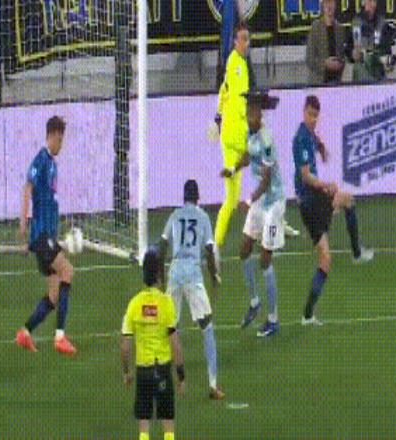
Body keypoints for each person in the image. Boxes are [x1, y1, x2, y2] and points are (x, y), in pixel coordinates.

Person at [292, 96, 374, 326]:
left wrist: (322, 148)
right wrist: (326, 185)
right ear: (304, 112)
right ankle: (356, 253)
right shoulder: (299, 139)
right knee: (345, 200)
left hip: (311, 201)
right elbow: (306, 177)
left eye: (315, 115)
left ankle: (307, 315)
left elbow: (315, 139)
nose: (313, 119)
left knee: (326, 259)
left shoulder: (308, 133)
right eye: (310, 114)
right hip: (310, 201)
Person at [221, 92, 284, 337]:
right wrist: (233, 168)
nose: (248, 116)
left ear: (259, 114)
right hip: (259, 201)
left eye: (252, 112)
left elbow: (267, 180)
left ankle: (273, 319)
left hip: (273, 203)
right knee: (244, 249)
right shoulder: (251, 132)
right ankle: (255, 302)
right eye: (247, 112)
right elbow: (248, 155)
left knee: (265, 259)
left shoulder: (266, 139)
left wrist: (249, 200)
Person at [15, 116, 77, 355]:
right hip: (40, 236)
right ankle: (60, 336)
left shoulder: (52, 163)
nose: (61, 144)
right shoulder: (41, 159)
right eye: (59, 140)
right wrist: (23, 225)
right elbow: (27, 188)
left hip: (47, 236)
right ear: (51, 136)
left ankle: (25, 332)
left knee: (53, 295)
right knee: (68, 271)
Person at [159, 180, 225, 400]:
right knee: (207, 327)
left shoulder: (175, 215)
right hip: (193, 275)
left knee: (169, 328)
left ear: (183, 197)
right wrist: (214, 276)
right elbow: (209, 250)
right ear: (198, 197)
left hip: (175, 273)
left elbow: (162, 247)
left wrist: (161, 279)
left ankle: (163, 378)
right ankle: (213, 385)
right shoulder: (203, 217)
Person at [121, 249, 185, 440]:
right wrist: (180, 375)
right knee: (167, 422)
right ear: (158, 273)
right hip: (162, 369)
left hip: (143, 371)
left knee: (144, 423)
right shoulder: (166, 303)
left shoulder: (134, 304)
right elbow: (175, 343)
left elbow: (125, 346)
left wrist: (126, 372)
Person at [214, 21, 250, 255]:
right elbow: (236, 99)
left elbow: (224, 90)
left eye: (248, 39)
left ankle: (216, 244)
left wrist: (217, 114)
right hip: (233, 138)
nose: (246, 43)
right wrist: (249, 121)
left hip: (237, 136)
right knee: (231, 198)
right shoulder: (235, 63)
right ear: (235, 41)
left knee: (234, 198)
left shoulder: (239, 64)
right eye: (243, 39)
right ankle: (215, 245)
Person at [345, 0, 396, 82]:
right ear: (363, 2)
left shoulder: (382, 24)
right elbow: (348, 48)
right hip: (360, 78)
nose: (371, 4)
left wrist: (387, 62)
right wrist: (352, 54)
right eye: (369, 1)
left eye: (374, 1)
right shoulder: (355, 22)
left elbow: (387, 51)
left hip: (379, 77)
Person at [306, 0, 346, 85]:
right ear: (322, 5)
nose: (329, 6)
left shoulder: (340, 29)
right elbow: (309, 59)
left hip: (337, 82)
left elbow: (343, 55)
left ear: (335, 5)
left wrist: (340, 64)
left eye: (331, 2)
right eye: (326, 3)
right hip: (319, 82)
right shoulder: (315, 28)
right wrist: (325, 64)